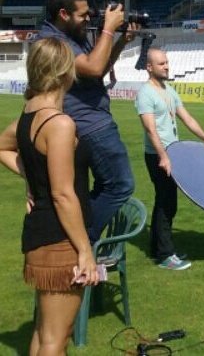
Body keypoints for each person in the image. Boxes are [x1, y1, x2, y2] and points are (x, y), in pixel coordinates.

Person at [0, 38, 99, 354]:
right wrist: (85, 251)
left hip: (40, 236)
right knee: (57, 338)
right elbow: (62, 195)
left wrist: (31, 176)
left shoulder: (29, 113)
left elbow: (3, 146)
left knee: (45, 334)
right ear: (65, 72)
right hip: (60, 241)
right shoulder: (59, 123)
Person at [36, 0, 139, 242]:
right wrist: (107, 28)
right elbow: (93, 69)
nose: (86, 20)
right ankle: (84, 240)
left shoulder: (70, 37)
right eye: (82, 15)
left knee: (104, 186)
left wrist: (119, 42)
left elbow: (98, 71)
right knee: (120, 185)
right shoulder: (53, 42)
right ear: (63, 14)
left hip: (91, 118)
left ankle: (80, 234)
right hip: (89, 122)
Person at [135, 48, 204, 270]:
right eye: (161, 63)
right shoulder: (145, 94)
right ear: (149, 67)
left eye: (167, 62)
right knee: (166, 204)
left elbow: (187, 119)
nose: (166, 66)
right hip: (158, 156)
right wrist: (163, 157)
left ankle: (159, 248)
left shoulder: (169, 90)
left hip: (172, 154)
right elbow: (150, 130)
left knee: (166, 203)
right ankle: (165, 255)